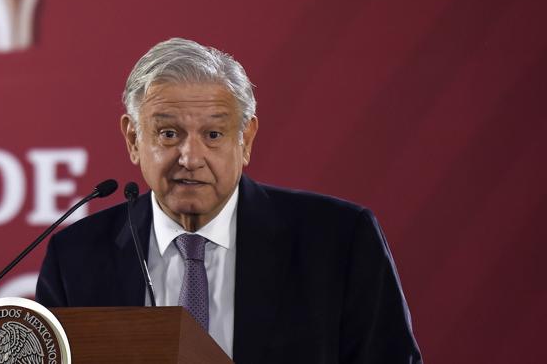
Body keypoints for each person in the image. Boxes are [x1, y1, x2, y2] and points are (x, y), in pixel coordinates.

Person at [36, 38, 422, 363]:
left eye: (214, 135)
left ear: (246, 139)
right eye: (168, 134)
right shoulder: (77, 255)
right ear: (134, 139)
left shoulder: (339, 241)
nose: (190, 157)